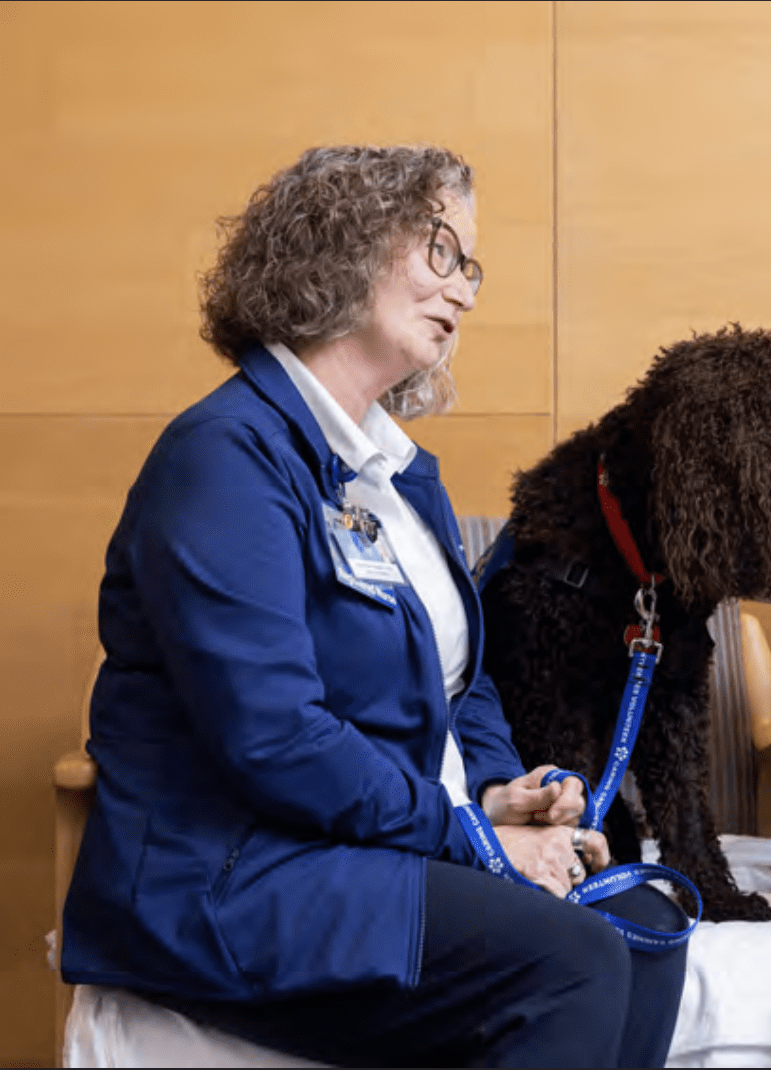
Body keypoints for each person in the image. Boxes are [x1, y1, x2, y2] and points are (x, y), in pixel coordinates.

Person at [60, 145, 686, 1067]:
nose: (465, 291)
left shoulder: (396, 472)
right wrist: (472, 839)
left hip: (370, 855)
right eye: (441, 250)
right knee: (574, 958)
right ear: (344, 246)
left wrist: (500, 794)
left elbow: (461, 683)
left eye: (470, 265)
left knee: (640, 925)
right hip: (239, 876)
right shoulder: (224, 458)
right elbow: (275, 738)